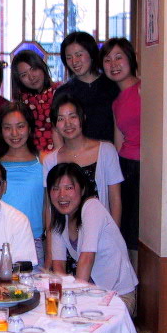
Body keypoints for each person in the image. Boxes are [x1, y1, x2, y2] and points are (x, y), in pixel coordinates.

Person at [47, 162, 138, 314]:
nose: (61, 195)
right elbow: (58, 266)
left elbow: (87, 258)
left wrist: (74, 300)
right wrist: (64, 298)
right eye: (55, 188)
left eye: (69, 188)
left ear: (82, 189)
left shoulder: (92, 207)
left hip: (117, 296)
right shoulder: (59, 217)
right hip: (92, 295)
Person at [44, 94, 123, 226]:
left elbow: (115, 199)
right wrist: (50, 237)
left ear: (83, 117)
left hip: (100, 232)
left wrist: (114, 234)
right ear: (55, 125)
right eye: (61, 119)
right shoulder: (50, 160)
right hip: (66, 234)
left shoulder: (106, 151)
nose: (68, 123)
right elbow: (49, 206)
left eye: (73, 116)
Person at [0, 102, 46, 268]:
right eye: (7, 128)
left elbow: (49, 209)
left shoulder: (44, 160)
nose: (14, 133)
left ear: (29, 128)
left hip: (33, 241)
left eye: (20, 126)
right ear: (1, 130)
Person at [100, 38, 141, 258]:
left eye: (118, 57)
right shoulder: (116, 102)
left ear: (130, 59)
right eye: (107, 60)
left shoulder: (144, 88)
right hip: (126, 167)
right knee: (126, 231)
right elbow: (118, 142)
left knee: (142, 232)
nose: (113, 64)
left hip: (145, 167)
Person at [55, 31, 119, 143]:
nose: (74, 61)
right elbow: (56, 130)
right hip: (74, 153)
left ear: (91, 54)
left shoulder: (113, 86)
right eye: (69, 57)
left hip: (109, 151)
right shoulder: (63, 92)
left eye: (79, 55)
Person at [10, 49, 63, 153]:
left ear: (42, 67)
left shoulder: (60, 93)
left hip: (61, 152)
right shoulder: (20, 102)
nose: (31, 77)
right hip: (30, 155)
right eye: (24, 75)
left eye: (34, 69)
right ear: (18, 80)